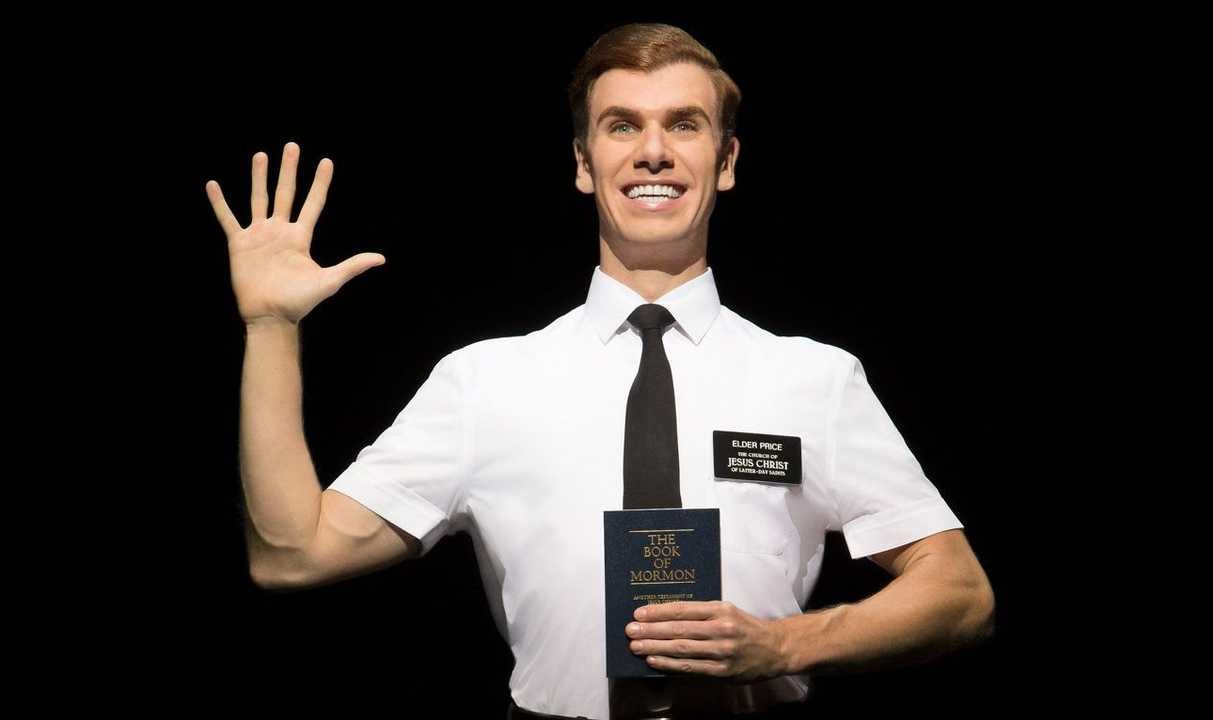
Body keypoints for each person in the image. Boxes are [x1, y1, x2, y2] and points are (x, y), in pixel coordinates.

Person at [207, 22, 995, 720]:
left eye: (683, 125)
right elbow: (291, 554)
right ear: (585, 164)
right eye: (623, 126)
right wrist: (271, 327)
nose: (654, 150)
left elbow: (960, 593)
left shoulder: (815, 381)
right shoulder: (485, 383)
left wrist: (787, 643)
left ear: (725, 161)